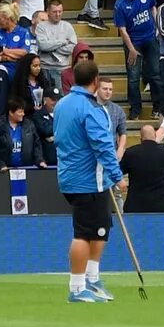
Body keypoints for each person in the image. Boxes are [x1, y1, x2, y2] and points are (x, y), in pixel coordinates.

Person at [50, 53, 121, 304]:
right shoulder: (92, 109)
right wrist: (116, 175)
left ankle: (91, 278)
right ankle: (77, 287)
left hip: (70, 176)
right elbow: (103, 145)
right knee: (83, 232)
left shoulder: (61, 104)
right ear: (94, 81)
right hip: (88, 179)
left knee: (101, 228)